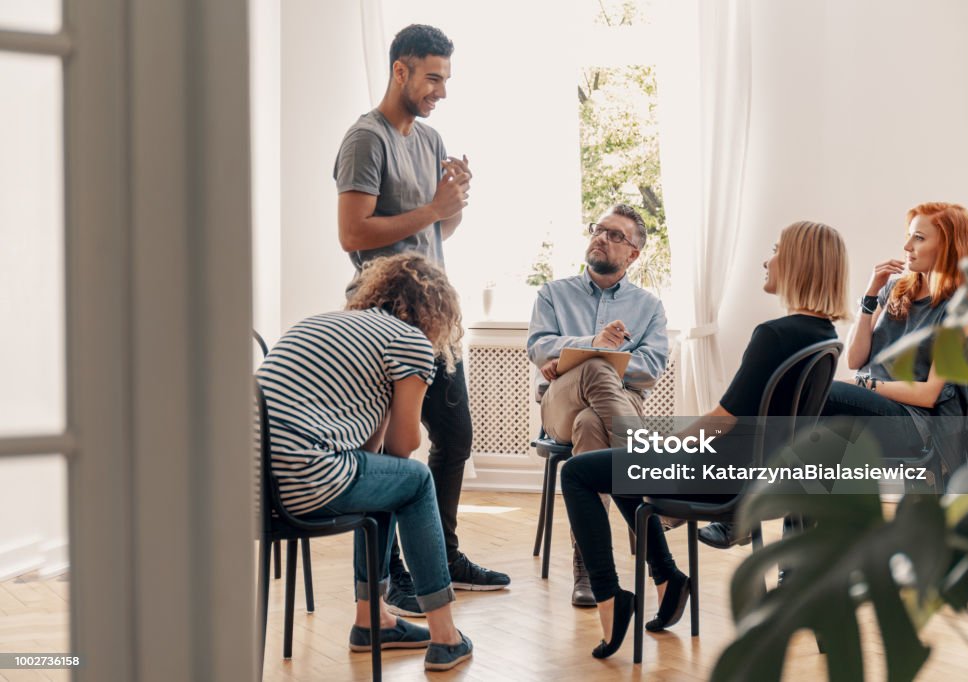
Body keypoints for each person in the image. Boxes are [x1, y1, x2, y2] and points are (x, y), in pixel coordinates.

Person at [561, 221, 849, 658]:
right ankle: (668, 576)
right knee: (622, 465)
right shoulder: (825, 337)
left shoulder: (774, 335)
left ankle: (609, 597)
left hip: (722, 478)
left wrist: (664, 450)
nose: (767, 259)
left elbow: (721, 421)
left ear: (798, 263)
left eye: (774, 249)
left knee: (579, 471)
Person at [333, 23, 510, 615]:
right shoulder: (366, 139)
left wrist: (451, 204)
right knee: (391, 453)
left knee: (454, 438)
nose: (441, 90)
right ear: (400, 70)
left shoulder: (431, 140)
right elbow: (353, 234)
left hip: (435, 316)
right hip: (383, 319)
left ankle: (444, 555)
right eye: (432, 77)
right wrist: (432, 207)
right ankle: (396, 577)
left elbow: (434, 231)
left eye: (446, 78)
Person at [257, 254, 473, 672]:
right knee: (416, 480)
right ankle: (445, 636)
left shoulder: (317, 322)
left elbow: (373, 456)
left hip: (252, 483)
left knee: (387, 478)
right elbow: (404, 445)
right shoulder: (408, 341)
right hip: (304, 477)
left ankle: (372, 620)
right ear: (434, 310)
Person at [526, 204, 669, 607]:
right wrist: (596, 346)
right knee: (592, 373)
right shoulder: (553, 293)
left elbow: (650, 370)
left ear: (633, 255)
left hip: (617, 406)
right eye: (599, 229)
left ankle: (589, 566)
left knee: (592, 423)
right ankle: (654, 486)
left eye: (615, 235)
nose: (602, 238)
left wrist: (587, 360)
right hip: (559, 404)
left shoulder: (649, 307)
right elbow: (538, 347)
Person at [821, 202, 968, 463]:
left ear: (947, 246)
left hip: (911, 422)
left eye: (919, 238)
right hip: (867, 403)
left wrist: (863, 384)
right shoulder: (895, 290)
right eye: (909, 236)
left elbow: (929, 395)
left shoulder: (959, 311)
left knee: (820, 393)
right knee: (805, 399)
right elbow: (855, 360)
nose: (907, 247)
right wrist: (871, 295)